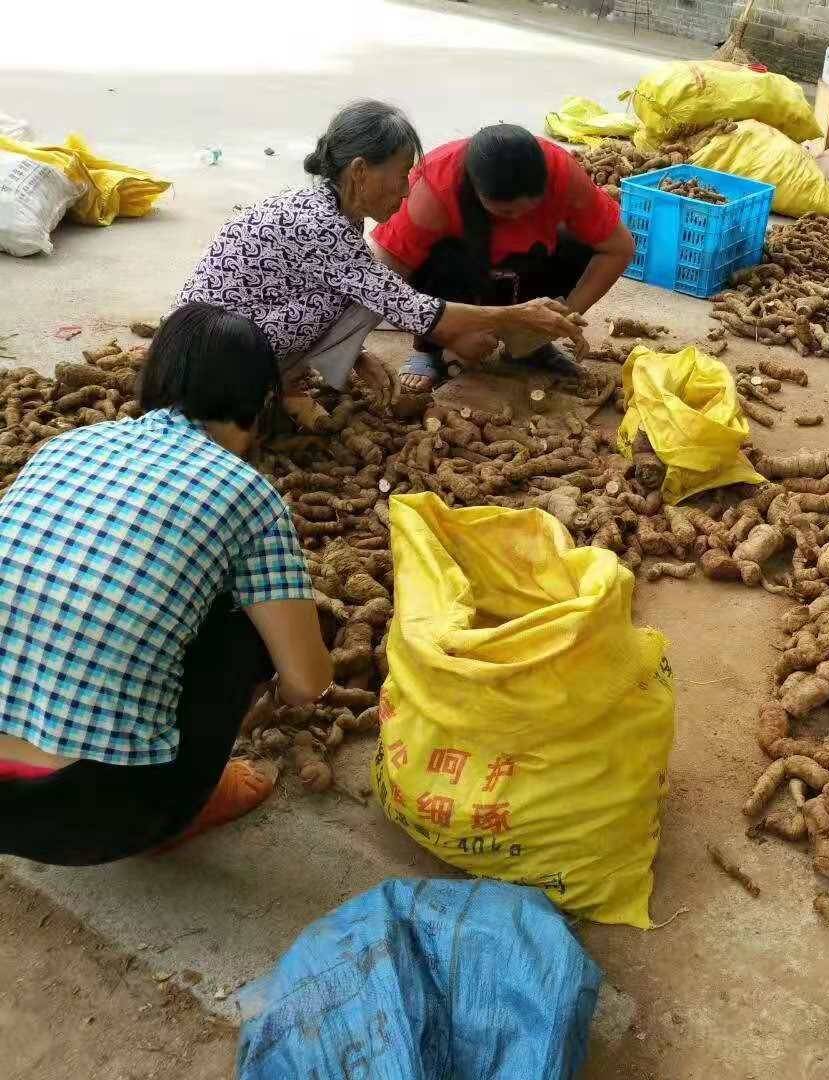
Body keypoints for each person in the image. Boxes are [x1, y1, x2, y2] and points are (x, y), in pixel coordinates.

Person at [0, 304, 334, 865]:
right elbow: (306, 681)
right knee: (259, 633)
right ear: (263, 405)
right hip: (92, 821)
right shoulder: (249, 494)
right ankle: (189, 799)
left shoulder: (63, 447)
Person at [177, 101, 586, 430]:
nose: (408, 190)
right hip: (211, 360)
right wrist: (520, 315)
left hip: (222, 340)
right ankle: (272, 390)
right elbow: (416, 311)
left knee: (374, 288)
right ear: (360, 171)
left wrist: (359, 358)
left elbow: (363, 296)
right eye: (402, 174)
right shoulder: (321, 224)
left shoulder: (334, 211)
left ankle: (283, 383)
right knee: (385, 292)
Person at [369, 123, 635, 393]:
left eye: (530, 209)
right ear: (477, 191)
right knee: (439, 259)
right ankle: (430, 350)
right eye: (506, 213)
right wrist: (446, 333)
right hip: (458, 275)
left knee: (582, 242)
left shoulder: (562, 173)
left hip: (525, 264)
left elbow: (618, 247)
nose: (519, 220)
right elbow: (382, 282)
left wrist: (561, 318)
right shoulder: (432, 189)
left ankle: (531, 348)